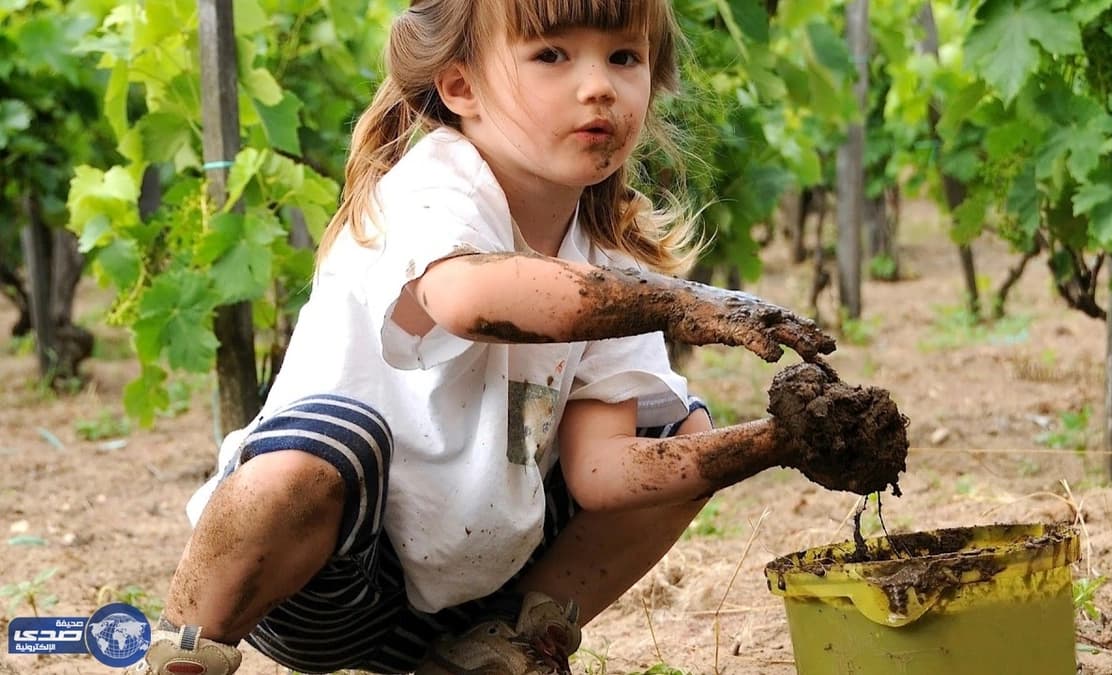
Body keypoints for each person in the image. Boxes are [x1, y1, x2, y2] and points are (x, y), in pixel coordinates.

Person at [127, 1, 836, 673]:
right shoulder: (434, 185)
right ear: (461, 86)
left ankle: (511, 647)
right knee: (321, 451)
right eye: (551, 55)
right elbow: (469, 298)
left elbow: (605, 471)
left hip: (474, 589)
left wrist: (776, 440)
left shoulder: (607, 257)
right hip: (319, 579)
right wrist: (682, 302)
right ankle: (187, 644)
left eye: (624, 56)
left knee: (681, 426)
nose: (598, 87)